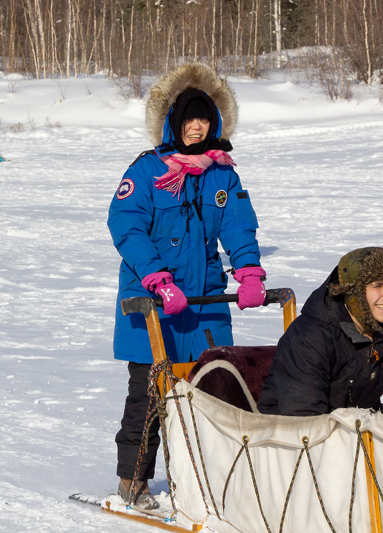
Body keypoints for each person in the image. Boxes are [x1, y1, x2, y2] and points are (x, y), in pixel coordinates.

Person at [107, 63, 266, 509]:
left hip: (205, 302)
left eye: (204, 119)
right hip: (152, 303)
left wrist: (248, 270)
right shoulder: (147, 171)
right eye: (188, 120)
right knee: (151, 393)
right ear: (173, 124)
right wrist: (157, 279)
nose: (197, 128)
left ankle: (202, 481)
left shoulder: (222, 174)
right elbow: (126, 226)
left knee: (214, 392)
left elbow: (237, 227)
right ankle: (133, 481)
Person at [257, 247, 383, 425]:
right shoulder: (310, 337)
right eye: (377, 285)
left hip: (355, 429)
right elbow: (304, 416)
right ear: (353, 293)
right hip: (287, 439)